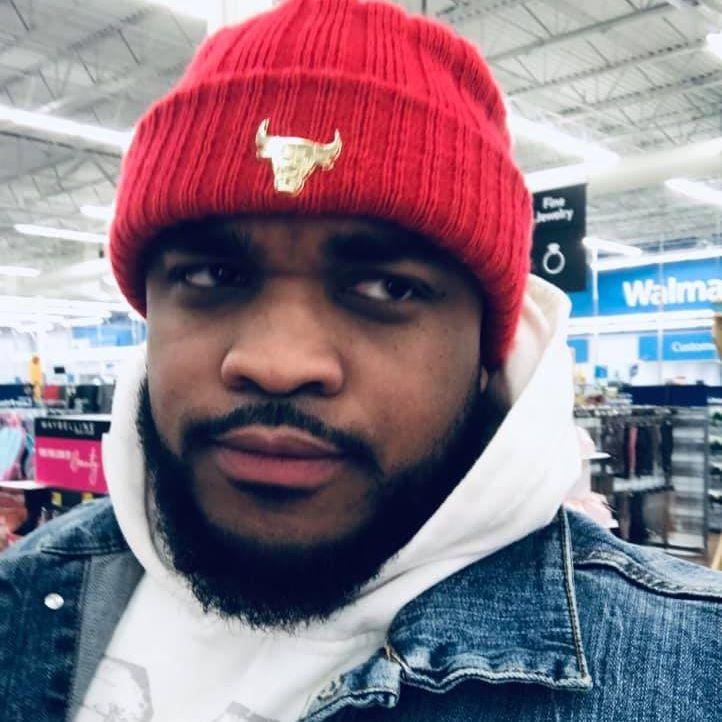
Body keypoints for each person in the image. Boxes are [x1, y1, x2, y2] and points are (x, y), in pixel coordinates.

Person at [1, 1, 720, 720]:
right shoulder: (25, 597)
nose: (278, 364)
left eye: (387, 288)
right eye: (212, 276)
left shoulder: (688, 673)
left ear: (486, 349)